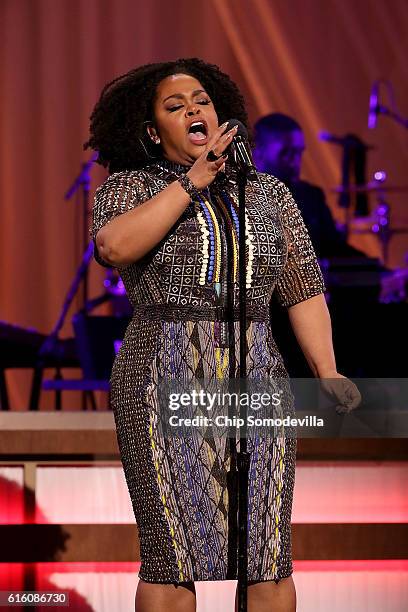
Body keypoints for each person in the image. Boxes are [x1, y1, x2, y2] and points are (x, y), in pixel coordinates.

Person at [85, 58, 360, 612]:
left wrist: (326, 369)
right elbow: (114, 248)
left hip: (257, 375)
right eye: (174, 105)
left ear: (221, 115)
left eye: (202, 101)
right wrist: (192, 183)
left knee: (266, 553)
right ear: (151, 131)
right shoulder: (129, 189)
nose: (193, 109)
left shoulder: (269, 195)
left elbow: (303, 288)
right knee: (171, 555)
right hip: (160, 376)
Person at [253, 113, 365, 259]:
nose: (296, 162)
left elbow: (334, 248)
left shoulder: (311, 196)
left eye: (299, 152)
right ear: (258, 151)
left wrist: (380, 272)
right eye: (286, 153)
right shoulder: (240, 198)